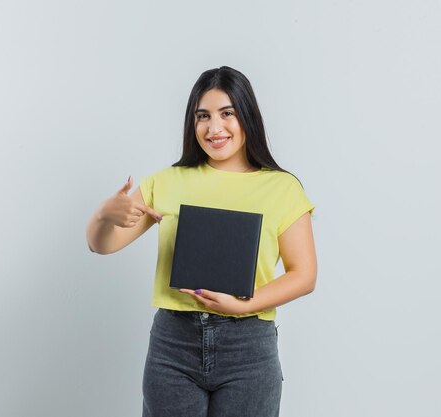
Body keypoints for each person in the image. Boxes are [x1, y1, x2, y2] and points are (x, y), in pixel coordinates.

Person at [86, 66, 317, 417]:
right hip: (173, 346)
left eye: (227, 114)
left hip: (248, 348)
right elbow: (101, 245)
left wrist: (242, 306)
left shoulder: (282, 188)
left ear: (247, 117)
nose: (214, 128)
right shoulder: (166, 181)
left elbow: (304, 275)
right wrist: (103, 215)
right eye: (203, 116)